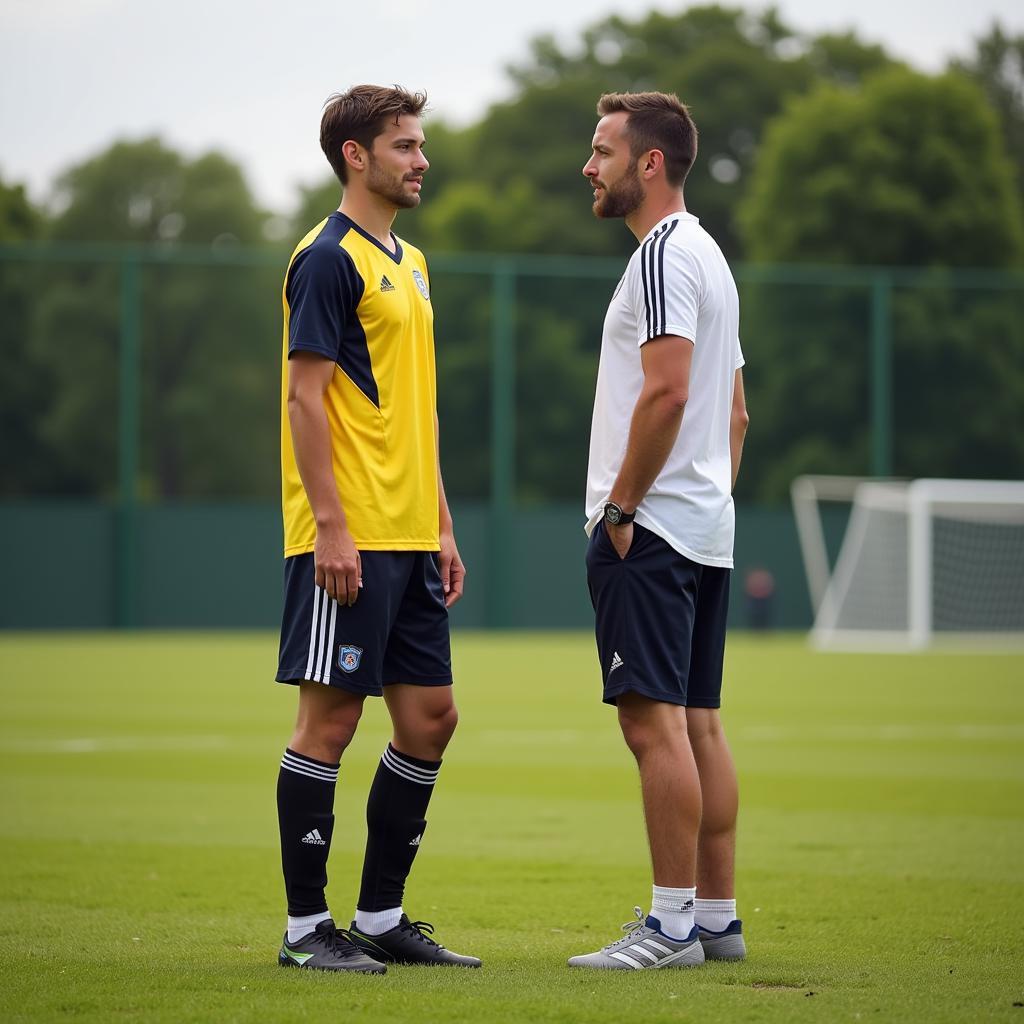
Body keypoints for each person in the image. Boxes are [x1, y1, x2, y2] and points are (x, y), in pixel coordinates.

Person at [274, 84, 479, 973]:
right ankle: (305, 933)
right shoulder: (326, 259)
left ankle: (383, 916)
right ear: (356, 156)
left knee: (430, 719)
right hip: (346, 535)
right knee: (330, 724)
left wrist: (440, 521)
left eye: (420, 144)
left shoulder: (416, 261)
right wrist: (330, 526)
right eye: (404, 145)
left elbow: (414, 407)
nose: (421, 159)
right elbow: (304, 398)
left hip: (410, 536)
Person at [569, 91, 749, 971]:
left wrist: (625, 509)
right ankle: (715, 918)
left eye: (603, 151)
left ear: (649, 164)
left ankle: (671, 926)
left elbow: (669, 392)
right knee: (701, 725)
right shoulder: (711, 256)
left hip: (653, 530)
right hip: (702, 526)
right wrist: (705, 504)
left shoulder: (661, 255)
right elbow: (738, 417)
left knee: (655, 727)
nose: (589, 167)